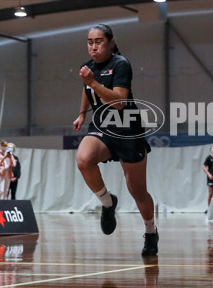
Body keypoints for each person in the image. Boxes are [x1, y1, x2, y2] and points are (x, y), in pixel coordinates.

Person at [72, 24, 157, 256]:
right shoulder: (87, 68)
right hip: (101, 125)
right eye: (90, 42)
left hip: (127, 127)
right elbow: (86, 90)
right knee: (83, 159)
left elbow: (119, 101)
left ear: (110, 42)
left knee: (137, 190)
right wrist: (81, 114)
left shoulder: (121, 64)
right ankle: (108, 203)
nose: (93, 46)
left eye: (98, 41)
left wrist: (93, 83)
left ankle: (151, 232)